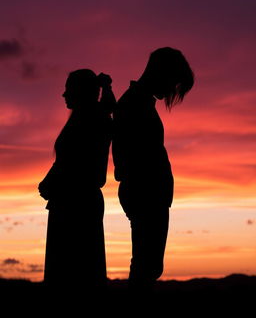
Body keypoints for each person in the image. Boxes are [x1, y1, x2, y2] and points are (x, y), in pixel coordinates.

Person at [112, 47, 194, 291]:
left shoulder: (140, 102)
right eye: (174, 83)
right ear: (162, 73)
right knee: (146, 267)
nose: (173, 91)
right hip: (145, 194)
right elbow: (128, 157)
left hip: (148, 194)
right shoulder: (134, 104)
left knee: (148, 266)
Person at [39, 69, 115, 291]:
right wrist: (49, 182)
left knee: (73, 273)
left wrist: (50, 183)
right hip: (72, 202)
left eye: (68, 89)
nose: (63, 95)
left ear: (80, 92)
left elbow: (75, 164)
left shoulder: (91, 121)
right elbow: (66, 161)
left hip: (76, 205)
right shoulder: (89, 119)